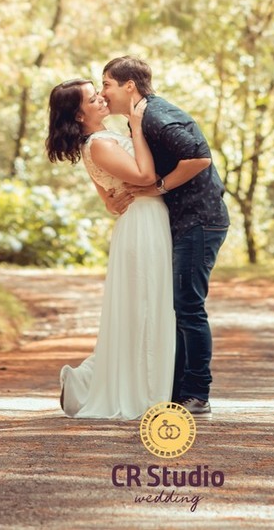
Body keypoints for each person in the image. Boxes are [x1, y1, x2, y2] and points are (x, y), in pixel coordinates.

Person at [100, 56, 229, 416]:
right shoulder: (140, 118)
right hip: (186, 222)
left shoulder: (154, 115)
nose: (103, 92)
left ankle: (197, 393)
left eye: (107, 83)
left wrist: (158, 187)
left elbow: (199, 157)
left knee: (188, 306)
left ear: (129, 85)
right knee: (178, 305)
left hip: (200, 220)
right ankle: (176, 390)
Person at [45, 77, 177, 418]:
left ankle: (89, 380)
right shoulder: (100, 144)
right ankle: (126, 389)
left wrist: (115, 201)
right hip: (142, 224)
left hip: (144, 218)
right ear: (77, 115)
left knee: (142, 309)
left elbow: (108, 200)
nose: (102, 98)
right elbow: (145, 176)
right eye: (92, 99)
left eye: (98, 93)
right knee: (143, 308)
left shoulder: (100, 141)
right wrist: (136, 126)